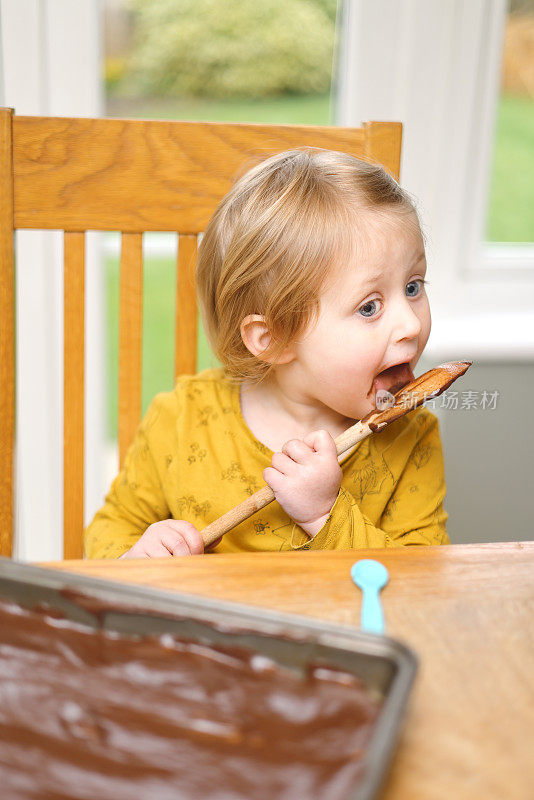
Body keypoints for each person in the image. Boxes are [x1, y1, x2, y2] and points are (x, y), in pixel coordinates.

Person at [84, 148, 450, 559]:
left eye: (413, 286)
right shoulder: (181, 420)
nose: (412, 324)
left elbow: (420, 579)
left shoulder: (411, 437)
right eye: (369, 307)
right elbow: (110, 528)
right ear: (273, 337)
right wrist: (136, 556)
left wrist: (324, 514)